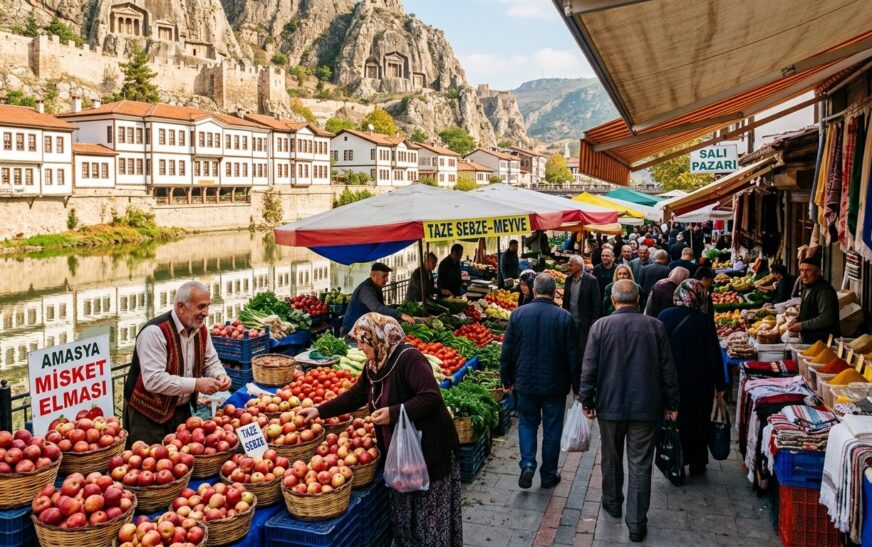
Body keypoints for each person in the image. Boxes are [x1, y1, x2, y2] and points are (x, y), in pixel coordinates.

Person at [298, 313, 462, 546]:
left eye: (363, 342)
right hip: (400, 452)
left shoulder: (409, 358)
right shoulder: (374, 365)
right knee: (405, 519)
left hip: (429, 451)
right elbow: (355, 395)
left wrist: (393, 412)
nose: (360, 347)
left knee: (430, 520)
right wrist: (319, 411)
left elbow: (431, 397)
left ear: (377, 339)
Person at [580, 280, 680, 542]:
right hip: (645, 407)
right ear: (638, 300)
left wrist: (587, 401)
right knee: (640, 464)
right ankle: (636, 523)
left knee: (610, 458)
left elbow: (589, 368)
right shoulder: (655, 327)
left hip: (609, 406)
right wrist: (672, 404)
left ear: (613, 301)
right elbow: (668, 370)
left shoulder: (600, 326)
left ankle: (612, 503)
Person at [123, 281, 232, 446]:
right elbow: (153, 380)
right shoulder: (155, 332)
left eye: (207, 306)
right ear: (181, 307)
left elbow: (210, 361)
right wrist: (196, 384)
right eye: (201, 307)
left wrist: (220, 374)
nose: (206, 313)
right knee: (151, 463)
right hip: (147, 414)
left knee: (182, 461)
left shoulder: (200, 329)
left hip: (180, 411)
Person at [500, 274, 578, 489]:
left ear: (534, 291)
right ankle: (548, 474)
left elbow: (507, 351)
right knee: (552, 429)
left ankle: (527, 464)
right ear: (554, 293)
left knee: (527, 423)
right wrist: (578, 387)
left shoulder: (517, 314)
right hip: (555, 384)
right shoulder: (564, 317)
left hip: (525, 382)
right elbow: (573, 355)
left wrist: (506, 378)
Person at [657, 279, 725, 476]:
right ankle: (697, 460)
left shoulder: (664, 316)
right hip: (699, 381)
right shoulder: (704, 320)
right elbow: (714, 355)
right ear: (699, 296)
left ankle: (675, 459)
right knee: (698, 420)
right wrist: (720, 384)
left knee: (674, 419)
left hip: (671, 378)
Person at [343, 263, 413, 334]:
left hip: (364, 327)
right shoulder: (366, 289)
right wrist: (400, 315)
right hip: (352, 330)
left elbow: (382, 307)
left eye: (387, 276)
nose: (387, 279)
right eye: (384, 276)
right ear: (373, 275)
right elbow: (377, 308)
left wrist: (397, 307)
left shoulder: (376, 287)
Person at [788, 256, 840, 343]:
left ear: (818, 272)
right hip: (810, 340)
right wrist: (797, 319)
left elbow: (825, 318)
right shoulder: (807, 287)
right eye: (801, 270)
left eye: (808, 270)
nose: (804, 275)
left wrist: (801, 326)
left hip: (823, 342)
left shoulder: (824, 291)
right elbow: (809, 311)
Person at [562, 255, 602, 357]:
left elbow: (596, 304)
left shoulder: (592, 280)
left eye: (571, 265)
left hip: (584, 324)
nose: (568, 268)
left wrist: (593, 324)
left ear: (579, 266)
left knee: (583, 351)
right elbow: (565, 301)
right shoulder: (568, 280)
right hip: (570, 321)